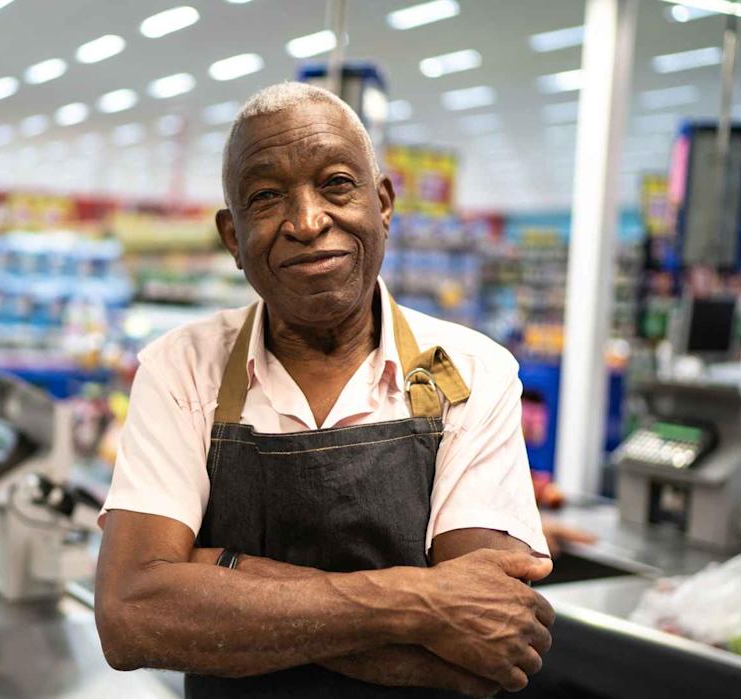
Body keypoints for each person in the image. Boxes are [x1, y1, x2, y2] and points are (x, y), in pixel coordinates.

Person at [95, 82, 554, 698]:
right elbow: (132, 616)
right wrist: (418, 600)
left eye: (337, 183)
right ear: (233, 237)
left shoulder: (475, 372)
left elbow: (485, 639)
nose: (308, 222)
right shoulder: (182, 369)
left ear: (384, 203)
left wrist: (219, 572)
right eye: (265, 197)